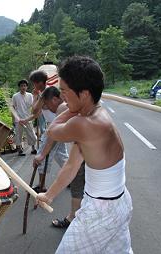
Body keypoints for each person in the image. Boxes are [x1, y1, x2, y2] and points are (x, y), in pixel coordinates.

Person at [36, 56, 133, 253]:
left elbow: (52, 131)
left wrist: (70, 111)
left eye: (64, 91)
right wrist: (49, 195)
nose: (61, 97)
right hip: (115, 204)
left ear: (85, 94)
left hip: (101, 211)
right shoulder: (94, 115)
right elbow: (72, 165)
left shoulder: (85, 124)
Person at [33, 86, 85, 229]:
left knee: (77, 184)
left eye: (64, 91)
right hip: (90, 153)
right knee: (81, 183)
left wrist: (42, 154)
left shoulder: (64, 108)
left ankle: (73, 218)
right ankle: (76, 217)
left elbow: (52, 133)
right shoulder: (85, 107)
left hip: (87, 153)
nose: (48, 108)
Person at [29, 72, 69, 193]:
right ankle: (72, 178)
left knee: (42, 155)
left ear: (39, 82)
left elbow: (35, 109)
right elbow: (35, 112)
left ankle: (42, 185)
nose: (34, 86)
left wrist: (39, 97)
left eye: (34, 83)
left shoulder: (49, 92)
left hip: (55, 127)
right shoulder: (45, 93)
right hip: (56, 127)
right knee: (61, 156)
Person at [11, 79, 37, 156]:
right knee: (19, 134)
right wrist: (13, 119)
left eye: (25, 86)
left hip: (27, 118)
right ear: (19, 87)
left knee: (31, 134)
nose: (23, 87)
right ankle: (19, 150)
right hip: (18, 119)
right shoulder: (15, 96)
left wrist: (33, 116)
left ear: (27, 87)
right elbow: (12, 108)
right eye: (22, 86)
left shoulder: (30, 95)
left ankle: (33, 148)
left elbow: (33, 106)